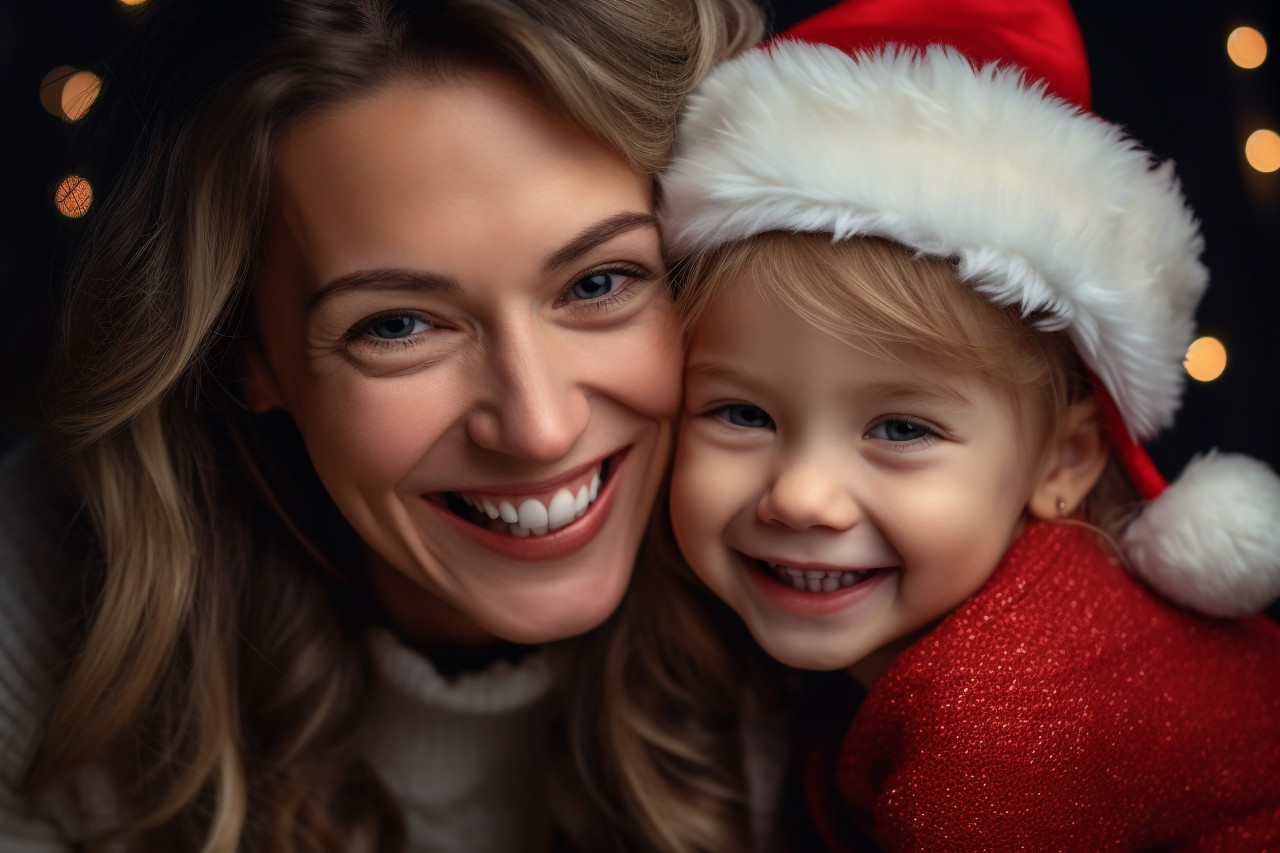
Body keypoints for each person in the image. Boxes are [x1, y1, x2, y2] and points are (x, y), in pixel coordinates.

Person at [0, 0, 766, 849]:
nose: (539, 428)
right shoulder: (37, 599)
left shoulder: (852, 585)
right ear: (243, 351)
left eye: (599, 283)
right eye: (397, 325)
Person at [657, 0, 1280, 848]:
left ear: (1063, 459)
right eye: (742, 413)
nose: (801, 496)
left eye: (902, 430)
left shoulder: (997, 727)